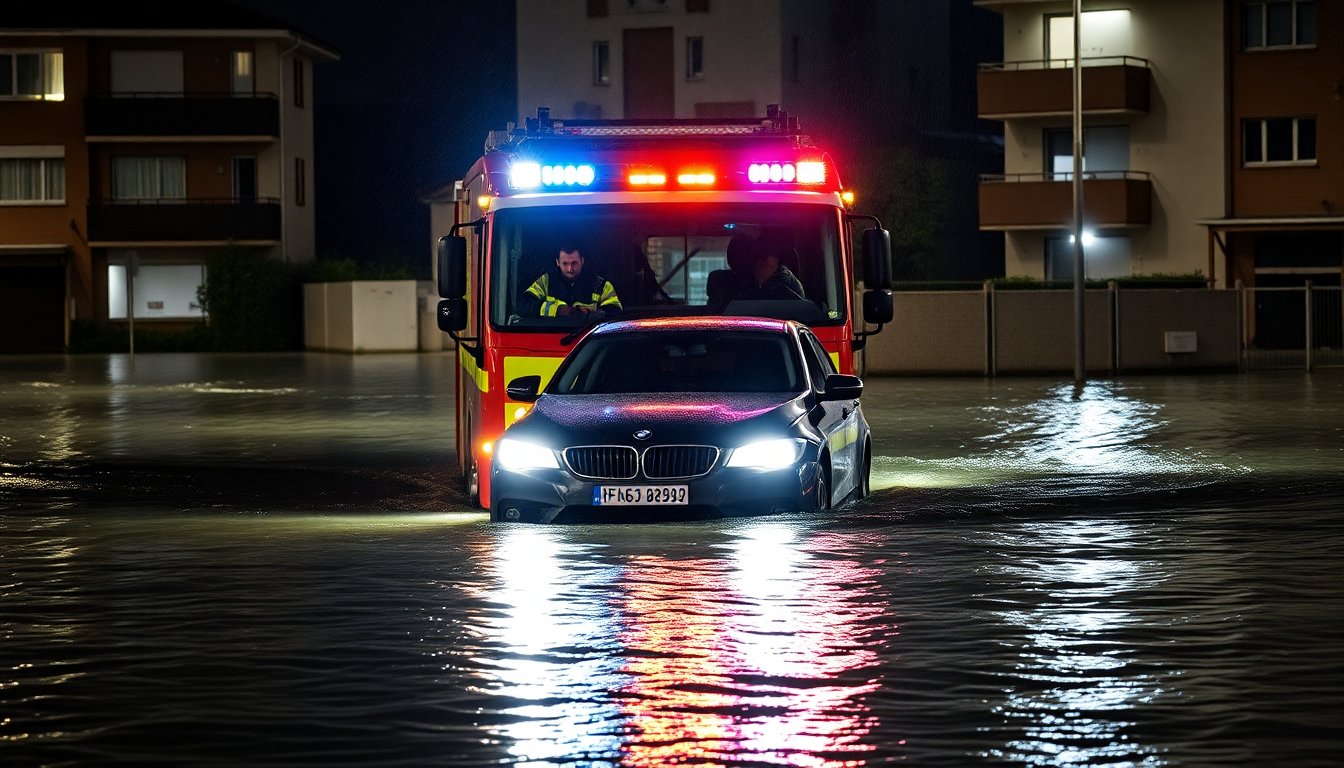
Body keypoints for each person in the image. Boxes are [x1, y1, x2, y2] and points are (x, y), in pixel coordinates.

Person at [518, 243, 622, 317]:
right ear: (558, 262)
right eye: (565, 263)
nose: (570, 269)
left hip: (588, 337)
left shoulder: (600, 284)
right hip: (551, 334)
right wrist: (558, 310)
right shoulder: (547, 281)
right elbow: (524, 305)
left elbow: (615, 311)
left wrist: (593, 315)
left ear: (582, 261)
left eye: (574, 263)